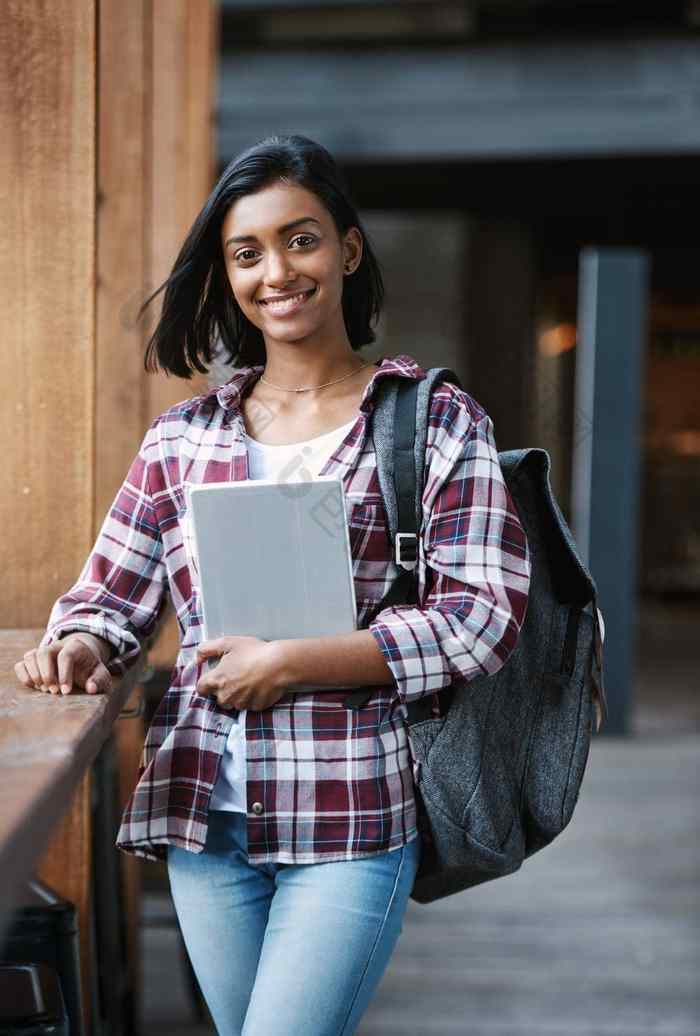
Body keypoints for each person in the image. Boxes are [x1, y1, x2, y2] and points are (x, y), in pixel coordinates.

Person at [14, 135, 531, 1035]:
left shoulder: (433, 419)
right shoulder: (184, 436)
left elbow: (482, 618)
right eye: (246, 253)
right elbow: (108, 596)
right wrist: (83, 644)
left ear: (349, 249)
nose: (277, 273)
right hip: (202, 817)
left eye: (301, 240)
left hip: (353, 815)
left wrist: (293, 662)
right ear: (226, 275)